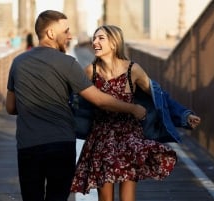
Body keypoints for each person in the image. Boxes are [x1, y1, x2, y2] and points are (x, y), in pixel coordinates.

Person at [5, 11, 146, 201]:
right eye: (66, 31)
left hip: (28, 145)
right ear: (51, 33)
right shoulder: (68, 63)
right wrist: (133, 108)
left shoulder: (18, 63)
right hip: (60, 144)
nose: (70, 35)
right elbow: (99, 99)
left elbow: (10, 107)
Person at [70, 25, 201, 201]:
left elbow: (159, 97)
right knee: (105, 198)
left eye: (101, 38)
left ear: (114, 42)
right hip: (101, 138)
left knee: (127, 198)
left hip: (129, 137)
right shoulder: (90, 72)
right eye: (94, 38)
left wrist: (184, 115)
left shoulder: (133, 70)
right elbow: (72, 100)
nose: (95, 42)